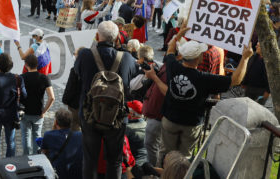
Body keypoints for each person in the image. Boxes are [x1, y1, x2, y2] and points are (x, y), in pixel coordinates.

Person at [158, 25, 253, 156]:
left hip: (169, 120)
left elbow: (170, 50)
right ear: (198, 58)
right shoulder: (204, 79)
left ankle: (161, 175)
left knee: (164, 153)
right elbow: (235, 80)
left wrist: (179, 34)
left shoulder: (172, 65)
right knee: (184, 158)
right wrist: (245, 58)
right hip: (191, 125)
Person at [73, 21, 140, 179]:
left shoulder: (85, 55)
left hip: (90, 114)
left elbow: (77, 72)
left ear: (97, 36)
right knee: (115, 160)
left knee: (90, 159)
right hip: (116, 116)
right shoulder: (128, 58)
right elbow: (133, 78)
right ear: (117, 38)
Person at [20, 54, 55, 155]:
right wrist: (44, 111)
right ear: (37, 64)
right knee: (37, 136)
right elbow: (52, 97)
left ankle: (26, 158)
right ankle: (37, 158)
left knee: (26, 137)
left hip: (25, 112)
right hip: (38, 113)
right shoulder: (44, 78)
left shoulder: (21, 78)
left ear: (26, 65)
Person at [41, 108, 83, 178]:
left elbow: (44, 152)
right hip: (78, 173)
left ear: (56, 122)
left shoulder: (48, 135)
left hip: (59, 174)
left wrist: (53, 129)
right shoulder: (80, 135)